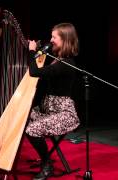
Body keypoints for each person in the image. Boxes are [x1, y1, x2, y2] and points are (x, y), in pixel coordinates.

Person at [25, 22, 80, 180]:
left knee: (31, 129)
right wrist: (36, 50)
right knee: (23, 117)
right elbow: (36, 62)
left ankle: (47, 163)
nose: (51, 39)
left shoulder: (66, 64)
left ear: (65, 40)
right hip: (48, 110)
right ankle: (44, 158)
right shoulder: (57, 58)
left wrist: (31, 51)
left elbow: (34, 72)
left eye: (54, 37)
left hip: (63, 113)